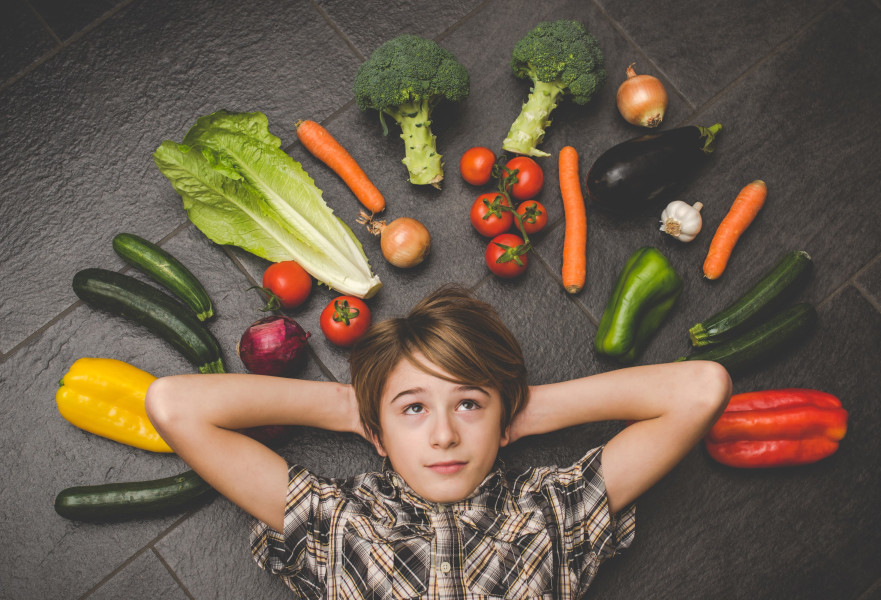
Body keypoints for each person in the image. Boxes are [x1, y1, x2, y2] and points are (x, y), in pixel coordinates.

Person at [145, 284, 731, 599]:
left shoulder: (553, 513)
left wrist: (516, 408)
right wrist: (354, 406)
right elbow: (174, 406)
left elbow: (702, 390)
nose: (446, 433)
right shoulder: (336, 522)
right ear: (378, 432)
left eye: (467, 405)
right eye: (415, 409)